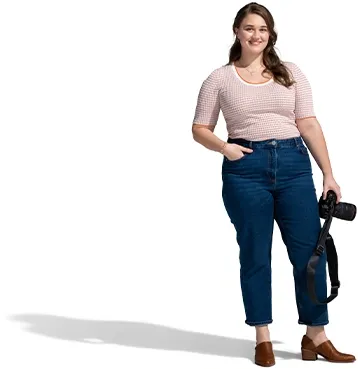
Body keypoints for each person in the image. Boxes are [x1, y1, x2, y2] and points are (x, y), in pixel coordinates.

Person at [191, 2, 355, 366]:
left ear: (271, 34)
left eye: (263, 29)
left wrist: (328, 174)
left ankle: (316, 335)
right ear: (237, 31)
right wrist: (224, 147)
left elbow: (308, 122)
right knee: (255, 254)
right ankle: (262, 337)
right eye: (249, 28)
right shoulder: (219, 78)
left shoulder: (291, 73)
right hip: (245, 171)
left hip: (295, 167)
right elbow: (199, 128)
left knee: (311, 253)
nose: (256, 35)